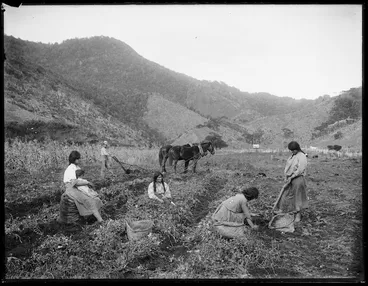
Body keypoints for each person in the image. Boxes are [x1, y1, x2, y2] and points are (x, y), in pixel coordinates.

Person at [59, 150, 104, 224]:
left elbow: (79, 179)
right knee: (88, 200)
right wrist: (87, 182)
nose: (79, 160)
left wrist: (86, 183)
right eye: (77, 159)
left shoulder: (76, 167)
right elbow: (74, 183)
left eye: (79, 158)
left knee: (94, 197)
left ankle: (93, 216)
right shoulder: (70, 169)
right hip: (71, 189)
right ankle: (100, 220)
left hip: (77, 187)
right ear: (73, 159)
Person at [273, 141, 308, 222]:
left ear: (297, 149)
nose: (292, 151)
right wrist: (287, 177)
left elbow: (300, 169)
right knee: (286, 194)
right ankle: (286, 211)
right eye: (291, 150)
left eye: (293, 150)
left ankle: (298, 215)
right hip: (290, 179)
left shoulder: (302, 156)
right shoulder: (292, 156)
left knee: (297, 197)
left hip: (297, 178)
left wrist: (292, 176)